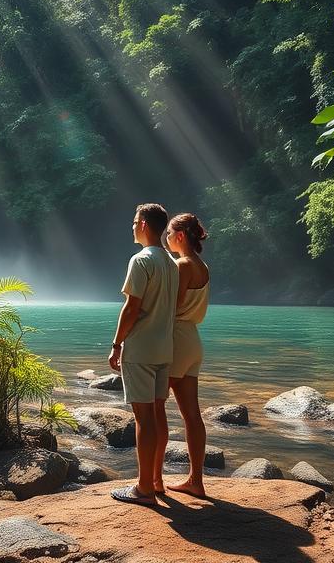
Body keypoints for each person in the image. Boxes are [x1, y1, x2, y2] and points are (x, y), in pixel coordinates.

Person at [108, 203, 179, 506]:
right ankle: (157, 480)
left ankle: (143, 488)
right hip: (165, 348)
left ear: (147, 225)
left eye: (135, 221)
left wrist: (116, 344)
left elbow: (132, 307)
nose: (132, 226)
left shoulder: (140, 260)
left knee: (143, 419)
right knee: (159, 414)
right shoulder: (172, 263)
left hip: (140, 349)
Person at [164, 213, 210, 498]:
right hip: (193, 339)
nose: (166, 239)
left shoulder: (182, 264)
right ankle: (196, 480)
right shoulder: (202, 266)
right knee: (192, 414)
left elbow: (173, 305)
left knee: (154, 407)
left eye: (169, 234)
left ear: (180, 235)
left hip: (177, 339)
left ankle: (150, 479)